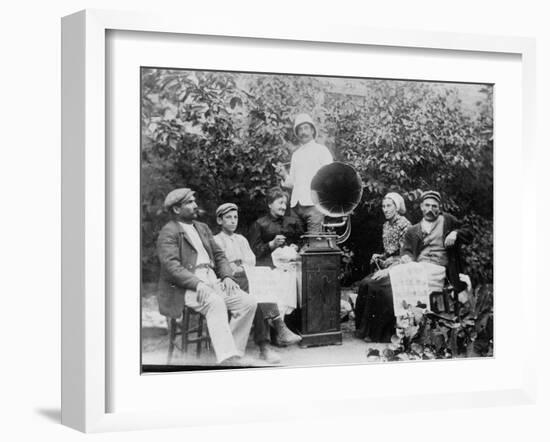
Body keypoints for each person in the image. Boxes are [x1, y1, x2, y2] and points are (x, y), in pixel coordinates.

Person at [156, 188, 257, 366]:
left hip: (212, 279)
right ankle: (227, 358)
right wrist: (197, 283)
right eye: (189, 202)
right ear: (177, 209)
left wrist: (227, 276)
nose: (195, 205)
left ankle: (232, 350)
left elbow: (219, 255)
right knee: (216, 303)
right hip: (185, 286)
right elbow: (172, 267)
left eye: (194, 201)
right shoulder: (168, 232)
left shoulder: (202, 228)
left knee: (248, 303)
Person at [356, 190, 472, 343]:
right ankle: (372, 331)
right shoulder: (414, 229)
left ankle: (383, 332)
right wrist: (406, 256)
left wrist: (456, 233)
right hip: (419, 266)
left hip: (438, 269)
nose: (430, 209)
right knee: (378, 283)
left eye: (434, 206)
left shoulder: (447, 221)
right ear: (421, 207)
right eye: (427, 205)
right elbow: (408, 251)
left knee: (390, 279)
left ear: (439, 207)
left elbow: (469, 232)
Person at [213, 203, 301, 362]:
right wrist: (236, 266)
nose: (233, 221)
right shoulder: (216, 240)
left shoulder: (241, 240)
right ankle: (273, 332)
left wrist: (240, 265)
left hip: (245, 278)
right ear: (220, 221)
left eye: (235, 217)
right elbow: (220, 265)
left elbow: (251, 260)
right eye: (228, 218)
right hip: (228, 283)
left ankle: (267, 343)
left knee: (259, 290)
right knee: (259, 288)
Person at [354, 192, 411, 337]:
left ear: (396, 207)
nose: (385, 209)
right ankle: (363, 330)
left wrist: (390, 267)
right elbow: (389, 251)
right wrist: (380, 256)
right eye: (383, 206)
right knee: (364, 284)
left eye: (389, 206)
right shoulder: (386, 225)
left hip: (400, 268)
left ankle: (377, 334)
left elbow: (406, 256)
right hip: (388, 266)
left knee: (374, 286)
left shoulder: (405, 225)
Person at [276, 113, 333, 233]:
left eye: (306, 128)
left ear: (312, 130)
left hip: (314, 207)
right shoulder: (296, 155)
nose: (303, 132)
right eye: (300, 129)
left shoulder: (322, 151)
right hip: (296, 207)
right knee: (296, 243)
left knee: (313, 244)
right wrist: (284, 175)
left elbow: (330, 178)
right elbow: (293, 183)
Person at [248, 186, 304, 267]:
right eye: (280, 203)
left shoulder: (293, 222)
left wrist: (297, 246)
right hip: (269, 267)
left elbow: (303, 241)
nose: (284, 207)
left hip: (292, 265)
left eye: (285, 203)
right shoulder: (259, 224)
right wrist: (271, 244)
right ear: (270, 204)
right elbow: (253, 252)